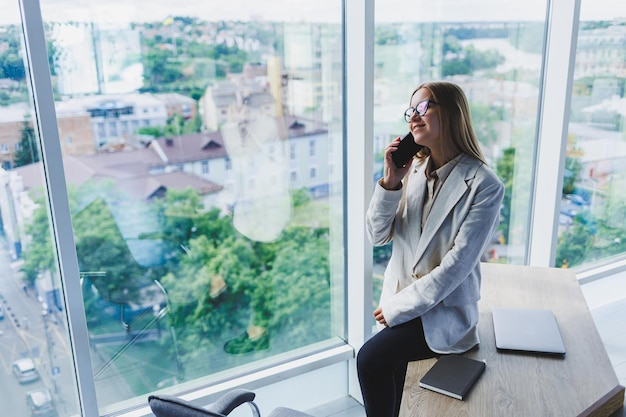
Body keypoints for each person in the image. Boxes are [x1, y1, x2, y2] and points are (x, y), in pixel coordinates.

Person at [357, 81, 505, 417]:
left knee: (371, 359)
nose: (413, 117)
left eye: (423, 107)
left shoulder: (484, 184)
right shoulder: (413, 171)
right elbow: (377, 235)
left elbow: (457, 266)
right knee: (390, 373)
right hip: (400, 300)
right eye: (411, 110)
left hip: (442, 312)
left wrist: (398, 309)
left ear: (451, 112)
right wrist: (391, 180)